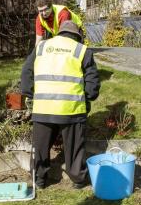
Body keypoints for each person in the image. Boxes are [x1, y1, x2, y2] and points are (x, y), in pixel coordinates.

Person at [21, 20, 100, 189]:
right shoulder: (81, 50)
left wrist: (29, 92)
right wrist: (88, 97)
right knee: (74, 148)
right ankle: (78, 179)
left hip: (43, 108)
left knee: (40, 148)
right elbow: (92, 81)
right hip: (71, 110)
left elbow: (27, 70)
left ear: (59, 33)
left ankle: (39, 179)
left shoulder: (41, 47)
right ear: (77, 35)